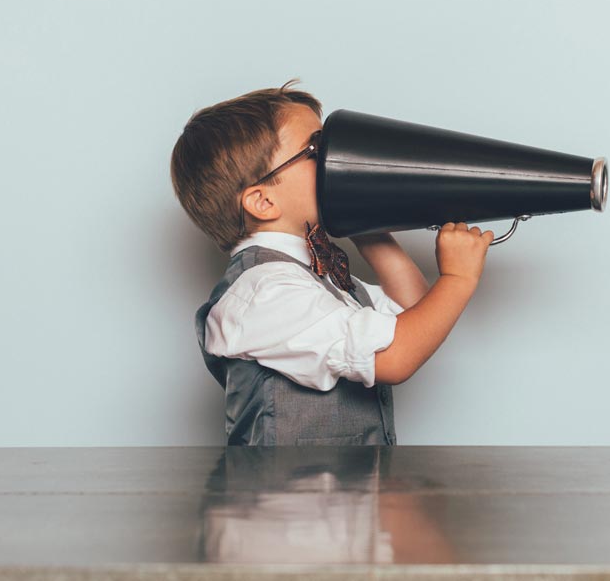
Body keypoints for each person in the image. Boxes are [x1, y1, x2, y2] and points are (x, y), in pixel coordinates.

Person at [170, 79, 493, 445]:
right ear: (263, 202)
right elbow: (396, 356)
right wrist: (457, 278)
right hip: (284, 497)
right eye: (315, 149)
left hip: (340, 496)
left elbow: (413, 313)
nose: (335, 160)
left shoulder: (311, 274)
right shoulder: (266, 290)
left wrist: (369, 231)